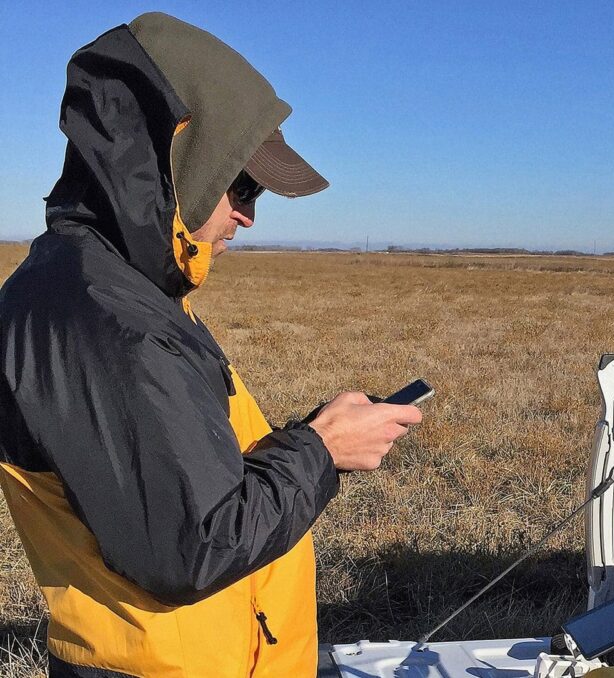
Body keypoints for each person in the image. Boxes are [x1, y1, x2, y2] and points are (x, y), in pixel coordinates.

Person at [0, 12, 421, 677]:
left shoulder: (113, 290)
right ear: (175, 159)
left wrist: (309, 436)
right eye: (242, 184)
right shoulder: (109, 322)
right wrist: (322, 451)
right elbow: (190, 548)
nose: (248, 215)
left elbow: (186, 480)